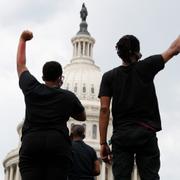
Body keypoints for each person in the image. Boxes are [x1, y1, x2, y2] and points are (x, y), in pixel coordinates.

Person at [98, 34, 180, 180]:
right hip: (146, 132)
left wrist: (103, 142)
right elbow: (175, 48)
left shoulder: (109, 77)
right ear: (137, 51)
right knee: (150, 176)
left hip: (122, 136)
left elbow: (104, 110)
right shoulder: (147, 66)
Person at [17, 30, 86, 180]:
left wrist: (23, 39)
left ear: (42, 77)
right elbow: (82, 116)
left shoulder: (31, 88)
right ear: (60, 78)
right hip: (57, 144)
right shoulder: (68, 97)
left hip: (32, 142)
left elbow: (21, 65)